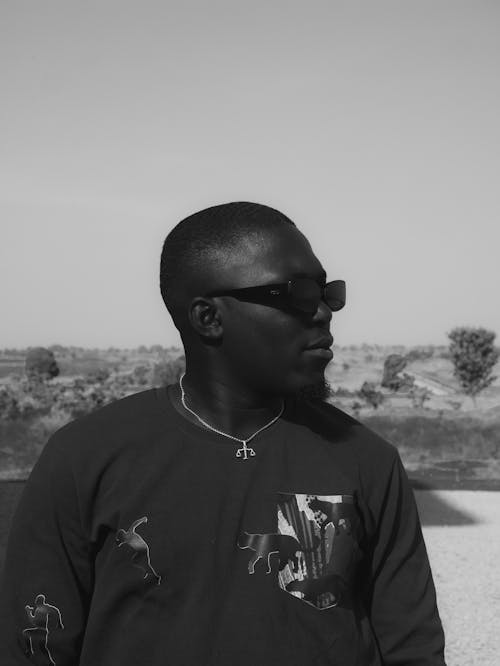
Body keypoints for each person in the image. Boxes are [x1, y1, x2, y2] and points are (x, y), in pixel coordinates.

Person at [0, 201, 446, 665]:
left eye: (327, 291)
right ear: (208, 317)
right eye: (297, 293)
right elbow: (35, 645)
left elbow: (413, 646)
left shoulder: (364, 460)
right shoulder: (85, 459)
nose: (322, 312)